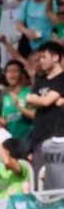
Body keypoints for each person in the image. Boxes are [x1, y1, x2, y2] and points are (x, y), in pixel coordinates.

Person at [26, 41, 64, 176]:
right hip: (39, 136)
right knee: (41, 178)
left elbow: (46, 101)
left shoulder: (62, 78)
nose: (40, 61)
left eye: (44, 57)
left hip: (57, 138)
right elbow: (29, 101)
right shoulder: (41, 80)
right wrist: (37, 100)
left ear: (55, 57)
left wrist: (36, 99)